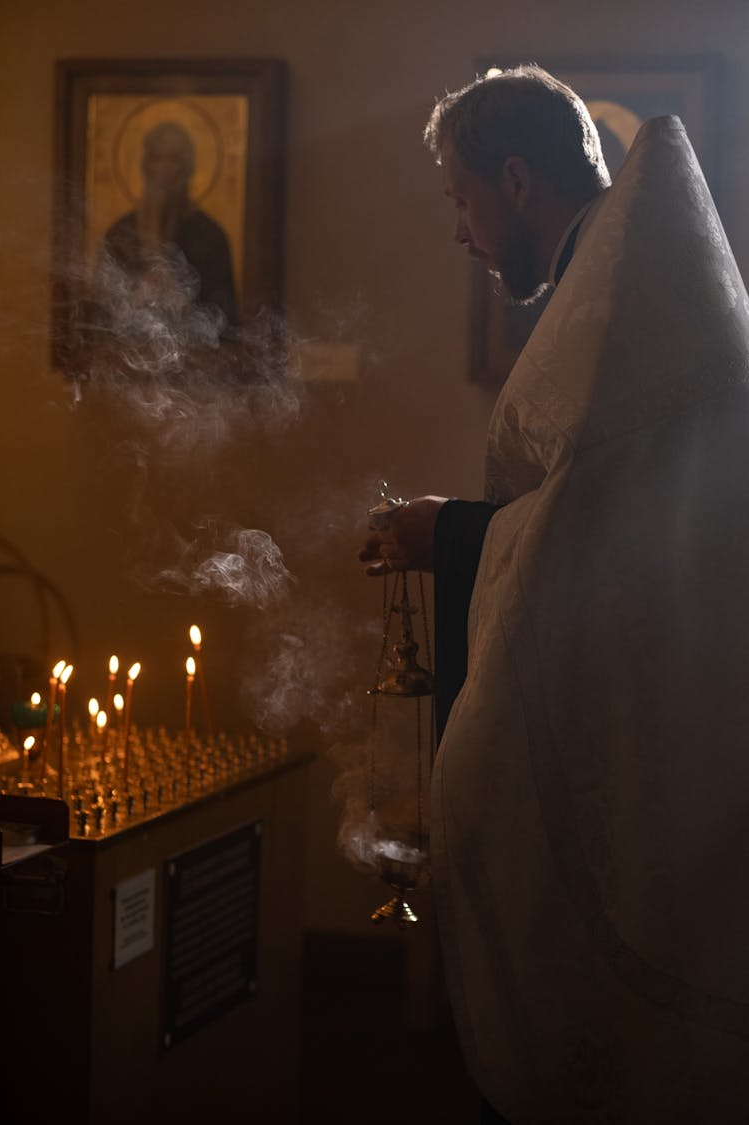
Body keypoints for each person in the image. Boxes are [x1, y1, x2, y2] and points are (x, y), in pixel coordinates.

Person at [359, 63, 749, 1124]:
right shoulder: (613, 286)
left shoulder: (622, 303)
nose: (460, 232)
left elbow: (611, 549)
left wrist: (448, 536)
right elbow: (594, 513)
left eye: (461, 200)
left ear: (518, 182)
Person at [86, 120, 238, 346]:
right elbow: (98, 311)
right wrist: (136, 294)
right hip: (127, 360)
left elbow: (224, 314)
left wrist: (181, 297)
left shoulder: (208, 235)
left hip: (194, 363)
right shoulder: (121, 232)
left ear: (187, 167)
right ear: (145, 165)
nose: (163, 169)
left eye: (174, 159)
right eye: (156, 158)